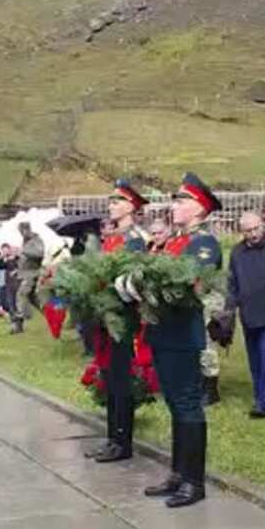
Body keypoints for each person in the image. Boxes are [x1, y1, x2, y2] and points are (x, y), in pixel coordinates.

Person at [141, 172, 222, 508]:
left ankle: (194, 482)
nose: (175, 206)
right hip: (162, 332)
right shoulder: (173, 242)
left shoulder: (203, 243)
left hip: (183, 334)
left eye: (181, 201)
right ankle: (178, 473)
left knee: (188, 405)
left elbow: (187, 282)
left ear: (199, 209)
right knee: (175, 405)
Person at [85, 179, 151, 463]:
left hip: (123, 318)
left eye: (117, 201)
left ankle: (122, 442)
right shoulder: (112, 238)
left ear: (131, 207)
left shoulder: (134, 239)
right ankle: (112, 437)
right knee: (109, 378)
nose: (111, 206)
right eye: (110, 201)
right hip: (106, 317)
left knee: (121, 379)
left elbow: (132, 279)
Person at [226, 211, 265, 418]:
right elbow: (233, 283)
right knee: (254, 359)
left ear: (262, 225)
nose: (253, 234)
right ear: (241, 232)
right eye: (248, 231)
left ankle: (264, 402)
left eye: (256, 228)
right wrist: (229, 310)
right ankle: (259, 395)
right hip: (247, 312)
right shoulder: (237, 252)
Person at [10, 222, 44, 334]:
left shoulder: (36, 240)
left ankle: (20, 320)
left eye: (22, 231)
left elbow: (39, 253)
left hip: (32, 274)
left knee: (21, 294)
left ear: (26, 229)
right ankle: (52, 314)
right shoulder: (26, 241)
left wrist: (23, 251)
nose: (21, 234)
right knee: (33, 299)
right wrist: (18, 271)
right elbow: (25, 260)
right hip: (26, 273)